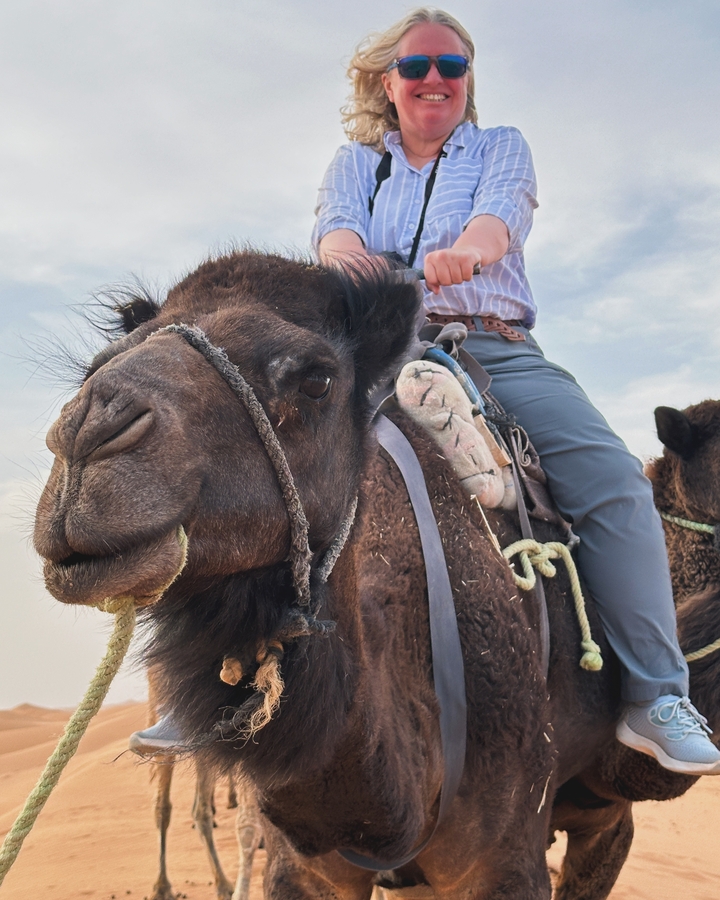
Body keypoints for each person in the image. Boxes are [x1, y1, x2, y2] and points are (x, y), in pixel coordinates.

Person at [311, 7, 720, 776]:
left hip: (491, 343)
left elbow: (499, 221)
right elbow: (335, 235)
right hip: (373, 346)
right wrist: (353, 263)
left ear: (468, 82)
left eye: (452, 68)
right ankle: (231, 687)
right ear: (386, 82)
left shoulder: (501, 147)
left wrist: (463, 254)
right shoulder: (355, 165)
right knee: (261, 457)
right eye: (417, 67)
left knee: (615, 485)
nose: (435, 80)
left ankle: (657, 698)